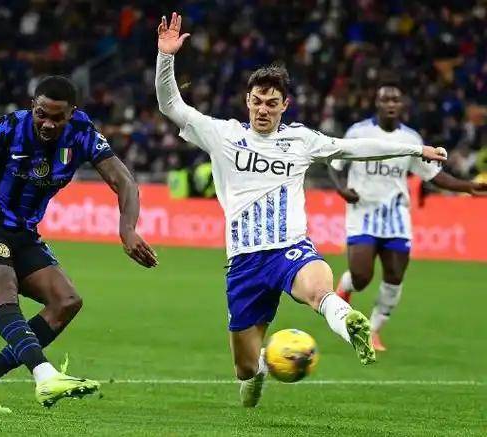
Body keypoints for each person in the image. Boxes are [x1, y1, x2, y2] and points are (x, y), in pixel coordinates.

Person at [155, 12, 447, 407]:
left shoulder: (301, 140)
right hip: (244, 261)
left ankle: (348, 321)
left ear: (285, 105)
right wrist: (166, 56)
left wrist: (415, 149)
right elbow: (170, 104)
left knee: (317, 289)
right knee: (243, 367)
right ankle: (259, 369)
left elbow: (353, 148)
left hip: (288, 248)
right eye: (257, 102)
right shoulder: (222, 135)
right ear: (247, 101)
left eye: (272, 104)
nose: (263, 109)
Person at [0, 75, 158, 413]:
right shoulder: (10, 128)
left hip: (23, 232)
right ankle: (45, 375)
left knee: (66, 302)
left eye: (57, 117)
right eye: (41, 114)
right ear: (32, 106)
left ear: (71, 113)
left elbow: (123, 180)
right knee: (4, 287)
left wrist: (127, 229)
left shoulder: (83, 133)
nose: (47, 123)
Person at [328, 81, 487, 352]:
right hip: (363, 213)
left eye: (395, 100)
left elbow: (433, 174)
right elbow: (335, 163)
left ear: (402, 105)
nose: (390, 104)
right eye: (385, 100)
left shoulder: (411, 139)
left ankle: (373, 330)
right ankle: (346, 286)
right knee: (362, 276)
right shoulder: (358, 132)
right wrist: (341, 188)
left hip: (396, 217)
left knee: (394, 276)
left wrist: (467, 186)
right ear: (377, 104)